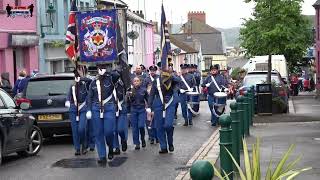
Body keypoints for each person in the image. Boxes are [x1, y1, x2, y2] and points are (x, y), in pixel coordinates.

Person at [87, 64, 120, 164]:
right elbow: (90, 97)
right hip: (96, 108)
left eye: (103, 68)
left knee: (109, 132)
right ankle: (102, 156)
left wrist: (107, 72)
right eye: (99, 69)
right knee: (98, 133)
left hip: (109, 107)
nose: (101, 70)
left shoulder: (110, 79)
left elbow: (117, 75)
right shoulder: (93, 83)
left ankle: (110, 146)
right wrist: (89, 109)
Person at [148, 67, 180, 154]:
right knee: (159, 127)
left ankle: (170, 142)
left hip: (169, 103)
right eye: (163, 69)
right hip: (158, 103)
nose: (165, 70)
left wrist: (171, 76)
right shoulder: (156, 80)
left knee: (168, 125)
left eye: (168, 69)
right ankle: (163, 147)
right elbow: (152, 94)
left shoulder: (172, 78)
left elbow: (178, 82)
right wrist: (149, 107)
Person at [65, 70, 90, 156]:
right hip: (73, 109)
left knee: (81, 129)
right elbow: (69, 96)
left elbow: (88, 95)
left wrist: (82, 77)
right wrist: (68, 101)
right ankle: (77, 148)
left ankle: (84, 145)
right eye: (76, 76)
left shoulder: (85, 85)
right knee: (75, 130)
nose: (77, 77)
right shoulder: (72, 86)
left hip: (83, 109)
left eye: (78, 75)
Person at [126, 77, 149, 150]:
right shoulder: (130, 91)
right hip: (133, 110)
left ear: (140, 82)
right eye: (135, 81)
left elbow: (148, 99)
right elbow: (127, 103)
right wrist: (128, 111)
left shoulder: (144, 90)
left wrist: (150, 108)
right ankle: (137, 143)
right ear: (133, 82)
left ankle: (142, 139)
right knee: (134, 128)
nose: (136, 82)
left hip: (142, 109)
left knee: (141, 126)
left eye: (137, 81)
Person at [113, 73, 128, 155]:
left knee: (120, 129)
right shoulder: (108, 85)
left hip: (121, 108)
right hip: (112, 109)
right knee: (114, 130)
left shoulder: (122, 85)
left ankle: (123, 139)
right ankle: (116, 148)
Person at [144, 65, 159, 144]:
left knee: (156, 119)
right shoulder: (146, 80)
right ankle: (151, 136)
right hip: (148, 101)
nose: (152, 72)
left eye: (154, 70)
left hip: (156, 101)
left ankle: (157, 136)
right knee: (148, 120)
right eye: (151, 70)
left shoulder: (158, 78)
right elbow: (144, 90)